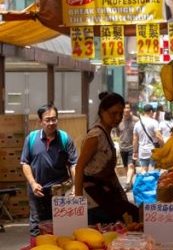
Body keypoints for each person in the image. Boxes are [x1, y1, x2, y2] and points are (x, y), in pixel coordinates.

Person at [74, 92, 139, 226]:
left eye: (120, 113)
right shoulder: (95, 136)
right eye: (113, 113)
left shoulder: (106, 133)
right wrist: (78, 202)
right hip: (94, 199)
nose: (118, 117)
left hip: (106, 194)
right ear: (102, 112)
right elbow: (79, 167)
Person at [20, 105, 79, 237]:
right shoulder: (31, 138)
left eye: (54, 119)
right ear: (40, 122)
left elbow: (73, 164)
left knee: (61, 226)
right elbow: (25, 163)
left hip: (59, 191)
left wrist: (76, 186)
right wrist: (33, 183)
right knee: (37, 225)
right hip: (37, 190)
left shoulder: (65, 138)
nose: (51, 123)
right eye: (47, 120)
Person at [112, 102, 138, 191]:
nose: (126, 109)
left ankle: (127, 184)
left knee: (131, 166)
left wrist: (136, 148)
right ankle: (130, 183)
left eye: (128, 107)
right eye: (125, 108)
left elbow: (138, 134)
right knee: (126, 167)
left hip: (132, 147)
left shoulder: (136, 120)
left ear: (130, 109)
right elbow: (118, 133)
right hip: (122, 147)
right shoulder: (119, 120)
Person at [132, 104, 161, 172]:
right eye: (153, 112)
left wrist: (135, 151)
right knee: (155, 169)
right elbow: (158, 135)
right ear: (151, 111)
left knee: (144, 169)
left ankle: (144, 182)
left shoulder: (137, 124)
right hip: (153, 150)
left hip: (142, 151)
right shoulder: (154, 122)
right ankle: (154, 182)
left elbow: (135, 139)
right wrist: (164, 145)